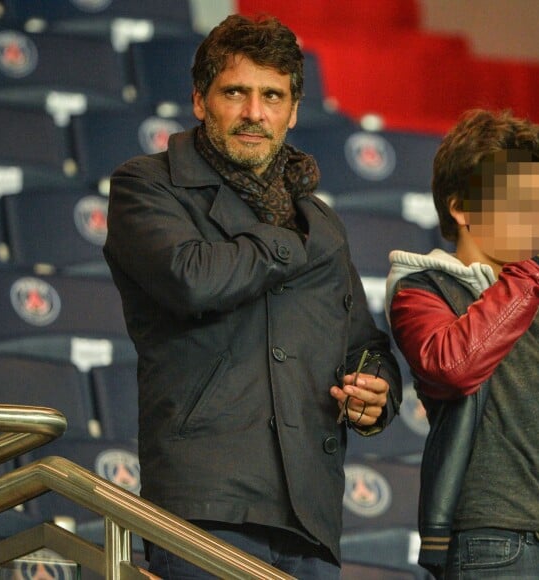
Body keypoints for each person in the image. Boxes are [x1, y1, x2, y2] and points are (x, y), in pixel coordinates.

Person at [104, 13, 401, 579]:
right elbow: (192, 277)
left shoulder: (320, 223)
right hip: (202, 512)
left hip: (310, 521)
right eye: (234, 92)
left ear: (292, 110)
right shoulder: (146, 184)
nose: (254, 113)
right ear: (200, 101)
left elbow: (364, 344)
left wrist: (373, 396)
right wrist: (294, 235)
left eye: (273, 96)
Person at [385, 109, 539, 579]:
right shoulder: (423, 287)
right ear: (462, 208)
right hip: (494, 539)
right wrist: (528, 273)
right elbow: (452, 366)